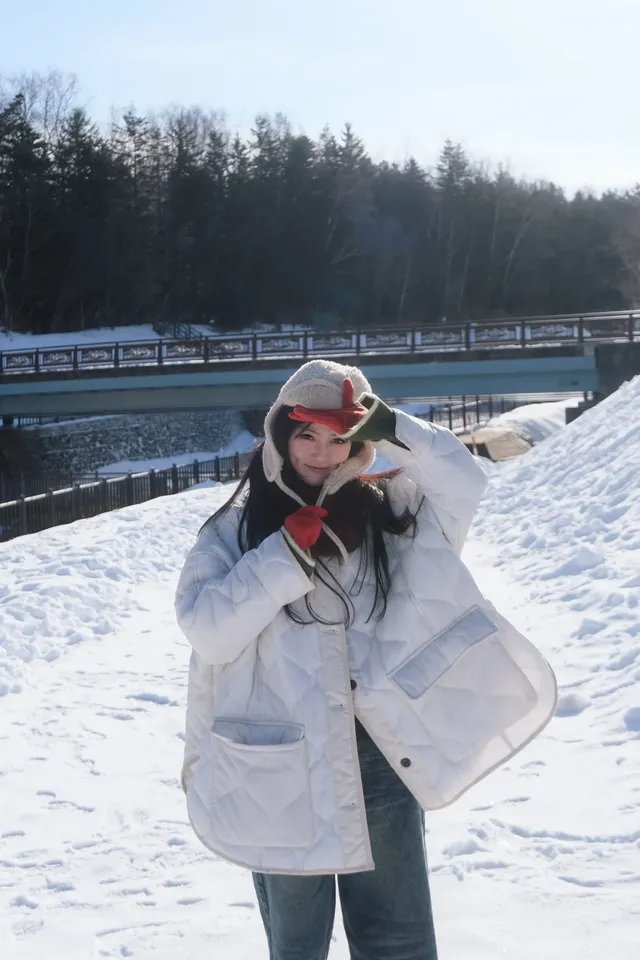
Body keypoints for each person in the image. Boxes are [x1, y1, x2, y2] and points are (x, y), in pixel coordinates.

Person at [175, 360, 557, 960]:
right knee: (297, 946)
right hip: (279, 765)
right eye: (307, 434)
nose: (322, 453)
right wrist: (284, 556)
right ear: (280, 434)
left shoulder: (393, 514)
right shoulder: (235, 530)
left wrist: (395, 424)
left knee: (397, 937)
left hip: (378, 758)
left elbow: (464, 480)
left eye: (339, 436)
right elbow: (208, 631)